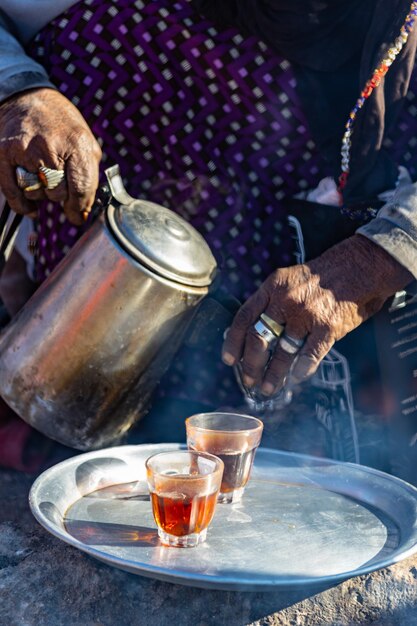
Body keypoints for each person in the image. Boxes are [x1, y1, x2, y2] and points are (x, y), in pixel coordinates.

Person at [0, 0, 417, 473]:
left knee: (263, 440)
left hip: (299, 208)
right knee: (81, 430)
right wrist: (17, 88)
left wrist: (370, 261)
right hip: (88, 147)